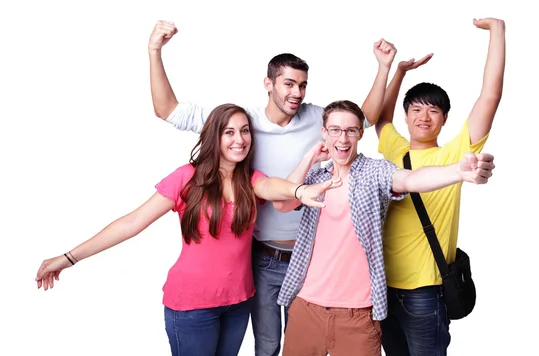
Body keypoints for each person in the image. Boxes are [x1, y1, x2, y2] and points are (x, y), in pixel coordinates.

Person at [147, 20, 397, 355]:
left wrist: (383, 68)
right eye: (289, 84)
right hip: (263, 256)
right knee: (266, 344)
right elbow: (167, 110)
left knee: (303, 344)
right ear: (268, 83)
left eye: (303, 85)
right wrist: (155, 51)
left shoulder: (319, 120)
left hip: (312, 258)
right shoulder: (241, 124)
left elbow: (362, 117)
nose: (297, 93)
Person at [35, 103, 342, 356]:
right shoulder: (186, 178)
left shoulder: (250, 180)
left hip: (237, 303)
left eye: (245, 131)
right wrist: (69, 257)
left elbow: (273, 187)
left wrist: (300, 189)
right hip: (192, 306)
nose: (240, 139)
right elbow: (130, 223)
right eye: (229, 132)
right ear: (214, 137)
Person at [274, 100, 496, 356]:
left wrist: (459, 171)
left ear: (360, 134)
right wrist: (310, 157)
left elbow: (411, 179)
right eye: (335, 130)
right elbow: (282, 202)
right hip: (307, 306)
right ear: (324, 133)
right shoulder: (315, 177)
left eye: (350, 130)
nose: (342, 138)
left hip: (357, 314)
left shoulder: (374, 172)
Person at [375, 17, 506, 355]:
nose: (423, 116)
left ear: (445, 118)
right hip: (381, 288)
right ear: (406, 116)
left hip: (426, 292)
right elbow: (381, 118)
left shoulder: (455, 154)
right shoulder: (395, 149)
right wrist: (400, 71)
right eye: (416, 109)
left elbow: (489, 97)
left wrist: (497, 32)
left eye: (433, 111)